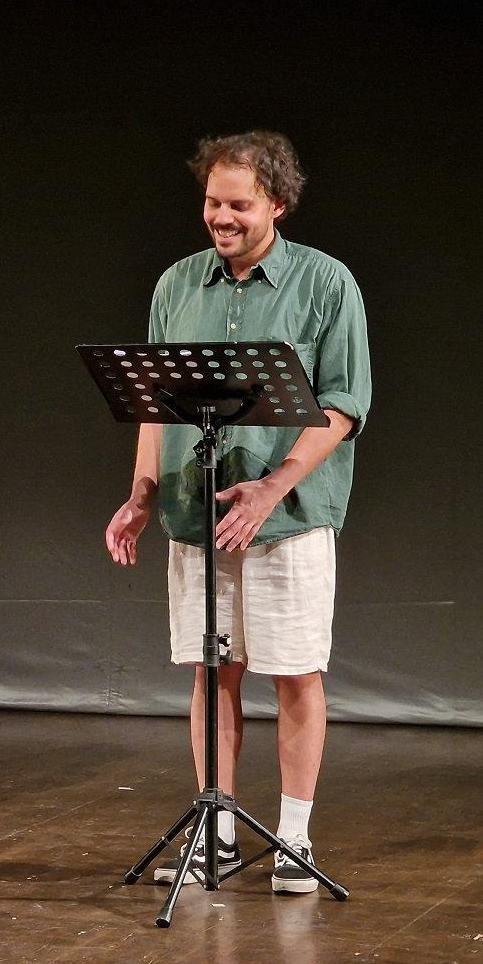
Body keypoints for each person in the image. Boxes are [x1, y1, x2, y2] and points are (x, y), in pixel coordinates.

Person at [105, 131, 372, 893]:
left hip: (288, 516)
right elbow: (154, 402)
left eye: (239, 205)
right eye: (212, 202)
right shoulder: (176, 284)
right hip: (198, 509)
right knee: (212, 670)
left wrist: (273, 485)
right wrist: (142, 492)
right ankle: (215, 833)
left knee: (294, 673)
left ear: (277, 204)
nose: (221, 217)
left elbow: (344, 403)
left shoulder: (326, 281)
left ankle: (294, 838)